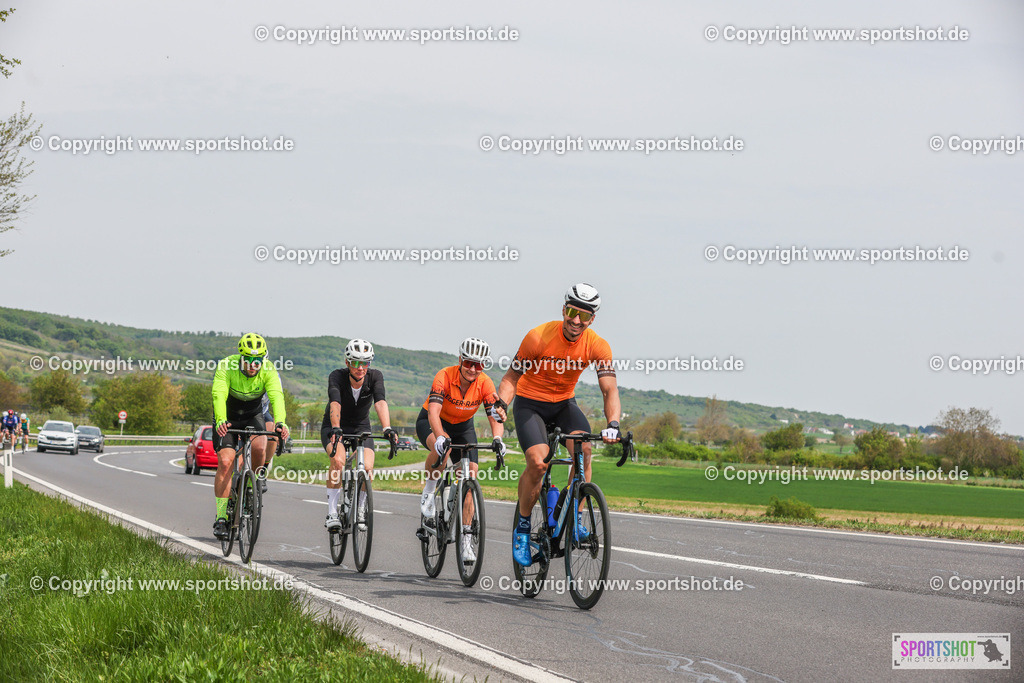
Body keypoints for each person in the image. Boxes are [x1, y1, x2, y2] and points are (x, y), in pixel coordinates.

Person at [495, 283, 622, 567]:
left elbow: (609, 389)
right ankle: (523, 528)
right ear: (564, 309)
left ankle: (574, 517)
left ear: (592, 320)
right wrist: (501, 404)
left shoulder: (598, 346)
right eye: (572, 311)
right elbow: (510, 378)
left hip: (565, 404)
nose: (576, 320)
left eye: (584, 315)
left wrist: (613, 422)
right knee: (539, 463)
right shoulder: (538, 337)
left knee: (584, 450)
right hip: (530, 404)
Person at [416, 337, 506, 563]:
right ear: (460, 360)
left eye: (478, 364)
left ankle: (466, 542)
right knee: (443, 451)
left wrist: (497, 437)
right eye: (468, 363)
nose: (473, 369)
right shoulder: (444, 375)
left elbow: (494, 414)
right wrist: (439, 436)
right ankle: (428, 491)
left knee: (470, 476)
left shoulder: (485, 382)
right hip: (433, 421)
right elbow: (433, 412)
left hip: (464, 427)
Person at [211, 333, 289, 540]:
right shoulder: (227, 365)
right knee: (226, 462)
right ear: (241, 357)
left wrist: (281, 422)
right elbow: (218, 394)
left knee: (260, 448)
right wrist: (220, 420)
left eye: (258, 361)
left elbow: (276, 397)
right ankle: (221, 517)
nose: (253, 365)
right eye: (249, 360)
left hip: (252, 414)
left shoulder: (269, 369)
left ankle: (250, 486)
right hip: (228, 415)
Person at [321, 339, 398, 532]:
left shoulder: (375, 377)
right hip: (334, 425)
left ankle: (361, 509)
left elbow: (380, 402)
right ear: (347, 363)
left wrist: (387, 428)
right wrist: (336, 428)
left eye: (365, 363)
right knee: (338, 461)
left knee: (368, 467)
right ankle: (332, 512)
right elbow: (335, 402)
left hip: (360, 427)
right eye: (355, 362)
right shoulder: (337, 376)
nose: (360, 367)